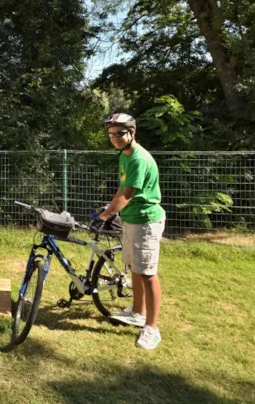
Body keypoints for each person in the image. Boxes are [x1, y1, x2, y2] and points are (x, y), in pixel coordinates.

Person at [98, 113, 166, 350]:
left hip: (145, 221)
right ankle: (137, 312)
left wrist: (105, 216)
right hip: (131, 219)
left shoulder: (138, 158)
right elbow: (121, 189)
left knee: (147, 273)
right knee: (135, 270)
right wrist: (108, 210)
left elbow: (127, 195)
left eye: (120, 133)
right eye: (111, 135)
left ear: (132, 133)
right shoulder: (124, 156)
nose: (115, 138)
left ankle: (152, 328)